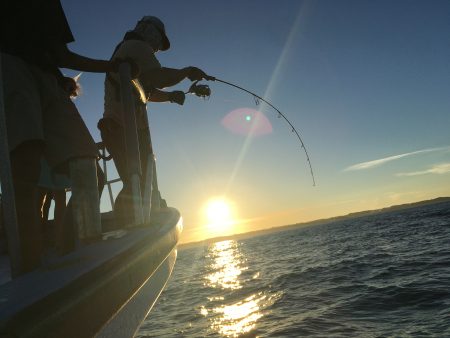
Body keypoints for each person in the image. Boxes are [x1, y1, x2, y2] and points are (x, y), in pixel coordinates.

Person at [0, 0, 121, 274]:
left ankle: (69, 255)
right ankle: (28, 270)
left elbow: (58, 54)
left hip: (46, 76)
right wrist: (112, 66)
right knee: (25, 164)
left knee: (90, 171)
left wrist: (61, 78)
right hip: (8, 65)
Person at [100, 16, 212, 227]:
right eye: (159, 41)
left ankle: (132, 224)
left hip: (118, 128)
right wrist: (187, 72)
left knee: (135, 182)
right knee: (136, 184)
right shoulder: (137, 46)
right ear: (149, 32)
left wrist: (170, 97)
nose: (158, 47)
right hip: (123, 128)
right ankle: (131, 228)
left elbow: (148, 90)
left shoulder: (126, 48)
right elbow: (160, 77)